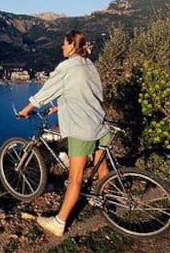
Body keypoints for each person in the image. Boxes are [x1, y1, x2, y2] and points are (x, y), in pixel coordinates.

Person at [18, 30, 110, 236]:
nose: (61, 47)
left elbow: (46, 91)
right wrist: (59, 107)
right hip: (100, 124)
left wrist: (25, 110)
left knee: (75, 178)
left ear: (71, 45)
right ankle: (107, 203)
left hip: (82, 128)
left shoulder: (67, 66)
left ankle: (59, 222)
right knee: (101, 168)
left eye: (63, 44)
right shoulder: (89, 65)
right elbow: (88, 93)